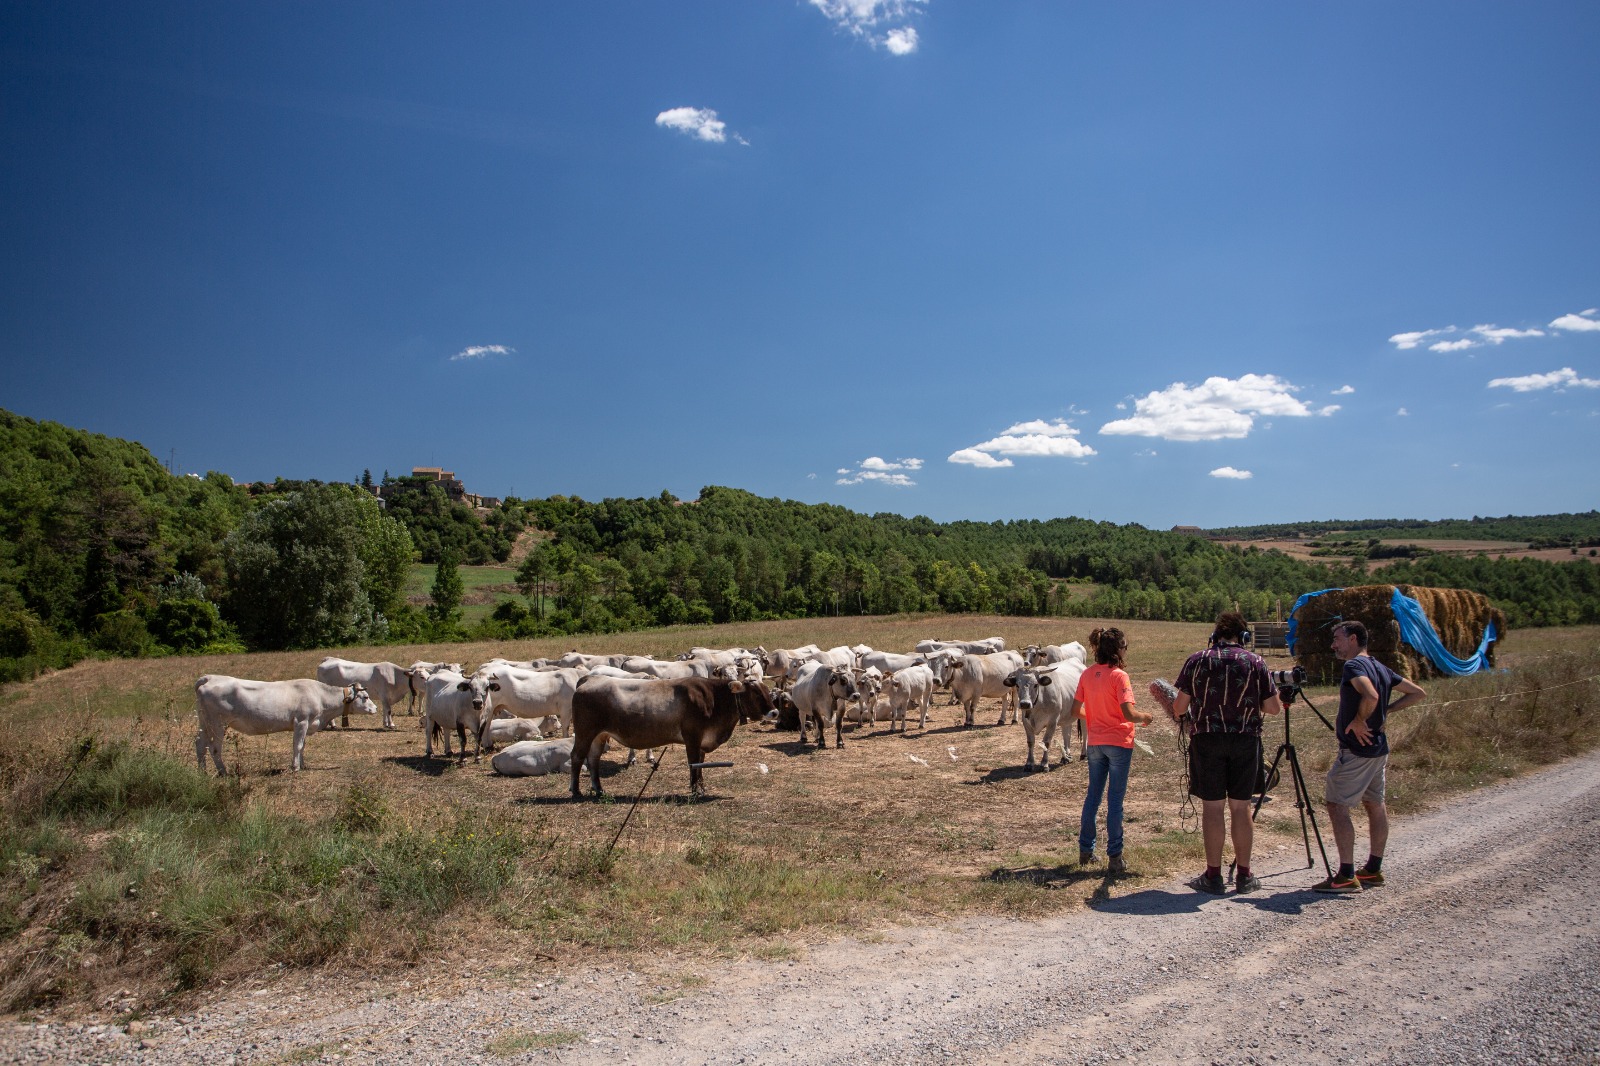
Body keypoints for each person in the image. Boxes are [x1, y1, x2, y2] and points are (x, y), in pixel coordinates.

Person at [1170, 612, 1283, 894]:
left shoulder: (1197, 660)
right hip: (1245, 741)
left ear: (1215, 635)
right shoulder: (1256, 662)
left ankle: (1213, 875)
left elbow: (1179, 708)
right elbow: (1273, 708)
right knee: (1241, 807)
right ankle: (1244, 875)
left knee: (1213, 807)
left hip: (1207, 741)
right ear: (1244, 637)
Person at [1315, 620, 1426, 893]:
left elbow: (1371, 695)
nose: (1333, 645)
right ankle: (1373, 869)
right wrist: (1386, 712)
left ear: (1353, 639)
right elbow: (1417, 693)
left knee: (1337, 805)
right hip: (1379, 749)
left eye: (1337, 639)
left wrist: (1360, 718)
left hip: (1357, 751)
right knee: (1375, 804)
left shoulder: (1354, 666)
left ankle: (1345, 875)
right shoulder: (1380, 666)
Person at [1070, 627, 1155, 875]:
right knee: (1115, 801)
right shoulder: (1120, 676)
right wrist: (1145, 717)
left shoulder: (1086, 674)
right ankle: (1115, 857)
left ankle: (1086, 850)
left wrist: (1095, 718)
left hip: (1095, 742)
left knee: (1093, 798)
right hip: (1118, 742)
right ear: (1118, 649)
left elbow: (1076, 711)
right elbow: (1129, 713)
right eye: (1124, 646)